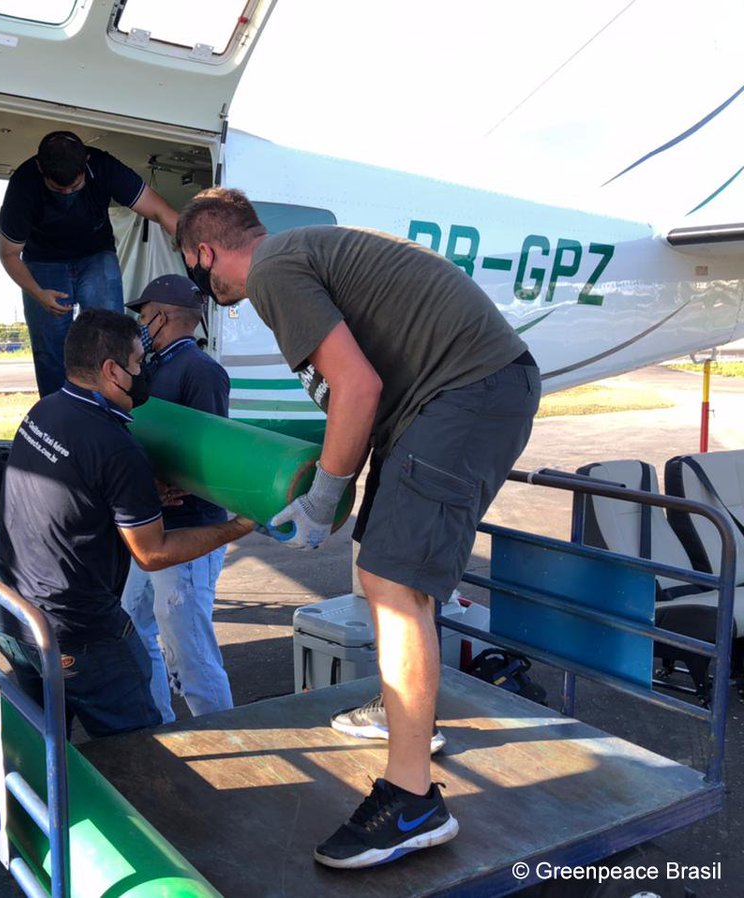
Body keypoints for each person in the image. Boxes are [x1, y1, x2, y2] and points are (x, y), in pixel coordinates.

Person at [175, 188, 539, 870]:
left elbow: (357, 388)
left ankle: (412, 800)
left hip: (468, 390)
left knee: (393, 579)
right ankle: (407, 715)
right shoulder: (302, 254)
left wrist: (322, 503)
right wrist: (324, 483)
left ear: (205, 254)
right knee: (384, 563)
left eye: (198, 270)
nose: (208, 285)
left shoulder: (275, 268)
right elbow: (360, 395)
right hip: (454, 395)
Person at [0, 308, 252, 738]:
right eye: (136, 364)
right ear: (112, 371)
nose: (142, 372)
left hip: (11, 613)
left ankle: (38, 804)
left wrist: (134, 495)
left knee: (43, 744)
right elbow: (153, 553)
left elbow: (72, 492)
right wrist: (237, 528)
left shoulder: (44, 413)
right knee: (135, 751)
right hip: (76, 633)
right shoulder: (115, 445)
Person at [120, 275, 233, 722]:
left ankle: (220, 730)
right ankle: (161, 724)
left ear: (162, 317)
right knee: (135, 623)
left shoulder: (200, 371)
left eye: (143, 316)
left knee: (188, 646)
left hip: (189, 530)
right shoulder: (151, 368)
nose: (141, 325)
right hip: (151, 528)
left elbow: (207, 452)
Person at [0, 130, 179, 397]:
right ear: (41, 170)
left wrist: (192, 242)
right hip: (43, 263)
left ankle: (110, 410)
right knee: (49, 347)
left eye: (75, 187)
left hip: (96, 255)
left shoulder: (103, 166)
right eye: (60, 190)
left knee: (111, 337)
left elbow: (159, 210)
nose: (68, 193)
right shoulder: (24, 184)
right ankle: (57, 418)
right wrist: (37, 292)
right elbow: (9, 254)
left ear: (86, 164)